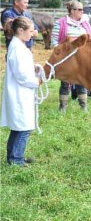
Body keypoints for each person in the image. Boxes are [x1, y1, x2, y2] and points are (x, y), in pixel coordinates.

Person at [1, 16, 42, 166]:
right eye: (30, 31)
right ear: (20, 30)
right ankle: (16, 160)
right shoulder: (17, 48)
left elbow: (22, 68)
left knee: (18, 127)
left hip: (20, 92)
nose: (32, 33)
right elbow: (21, 76)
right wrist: (36, 80)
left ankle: (14, 156)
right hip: (20, 92)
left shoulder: (18, 45)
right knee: (24, 128)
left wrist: (33, 68)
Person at [51, 0, 91, 112]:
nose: (82, 11)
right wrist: (62, 52)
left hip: (82, 59)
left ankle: (84, 107)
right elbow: (54, 42)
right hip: (67, 59)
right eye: (79, 9)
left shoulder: (85, 23)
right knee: (65, 82)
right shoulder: (60, 23)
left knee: (82, 82)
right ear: (72, 11)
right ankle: (62, 107)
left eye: (82, 9)